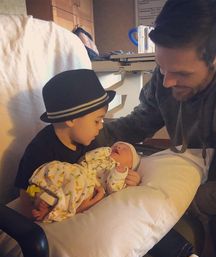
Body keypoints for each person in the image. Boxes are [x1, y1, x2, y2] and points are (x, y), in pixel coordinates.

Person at [95, 0, 216, 257]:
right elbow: (139, 122)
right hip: (195, 165)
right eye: (161, 68)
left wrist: (166, 192)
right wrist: (86, 137)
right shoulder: (166, 75)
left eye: (181, 74)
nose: (167, 82)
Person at [15, 69, 141, 219]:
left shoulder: (93, 141)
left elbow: (109, 169)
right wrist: (75, 209)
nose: (101, 126)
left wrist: (131, 179)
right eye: (97, 120)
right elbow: (26, 205)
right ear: (71, 120)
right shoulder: (40, 151)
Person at [26, 141, 141, 222]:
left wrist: (119, 173)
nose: (119, 147)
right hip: (78, 170)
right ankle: (40, 186)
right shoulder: (102, 157)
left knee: (72, 191)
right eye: (116, 145)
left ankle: (51, 209)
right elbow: (87, 157)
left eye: (125, 149)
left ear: (130, 165)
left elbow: (113, 188)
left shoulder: (121, 173)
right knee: (58, 167)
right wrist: (104, 151)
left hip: (90, 185)